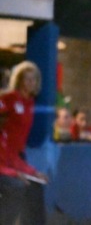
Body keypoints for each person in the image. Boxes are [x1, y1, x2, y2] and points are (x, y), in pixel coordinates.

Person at [0, 60, 48, 224]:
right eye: (27, 79)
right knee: (18, 186)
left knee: (35, 186)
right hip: (5, 154)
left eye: (33, 79)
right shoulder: (10, 98)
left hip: (15, 155)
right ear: (19, 80)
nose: (31, 83)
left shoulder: (30, 103)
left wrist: (33, 172)